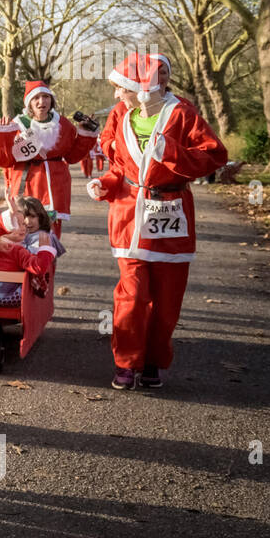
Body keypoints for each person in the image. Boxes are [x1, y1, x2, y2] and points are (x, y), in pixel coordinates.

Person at [88, 53, 227, 390]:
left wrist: (172, 153)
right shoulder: (122, 115)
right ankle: (126, 363)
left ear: (141, 86)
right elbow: (120, 167)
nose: (117, 96)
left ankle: (153, 361)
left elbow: (214, 156)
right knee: (131, 295)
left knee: (166, 301)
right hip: (129, 216)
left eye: (122, 88)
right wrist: (103, 184)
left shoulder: (182, 112)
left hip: (172, 213)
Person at [0, 78, 97, 237]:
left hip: (55, 190)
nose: (42, 101)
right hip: (25, 187)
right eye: (36, 97)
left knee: (50, 237)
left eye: (46, 97)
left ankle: (49, 261)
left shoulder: (63, 124)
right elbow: (2, 161)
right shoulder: (17, 125)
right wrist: (4, 136)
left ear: (52, 100)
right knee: (23, 234)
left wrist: (85, 134)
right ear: (29, 103)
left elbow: (72, 157)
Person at [0, 196, 63, 304]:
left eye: (23, 223)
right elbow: (38, 267)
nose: (26, 225)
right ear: (6, 228)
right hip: (10, 296)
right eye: (18, 224)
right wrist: (45, 249)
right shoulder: (16, 250)